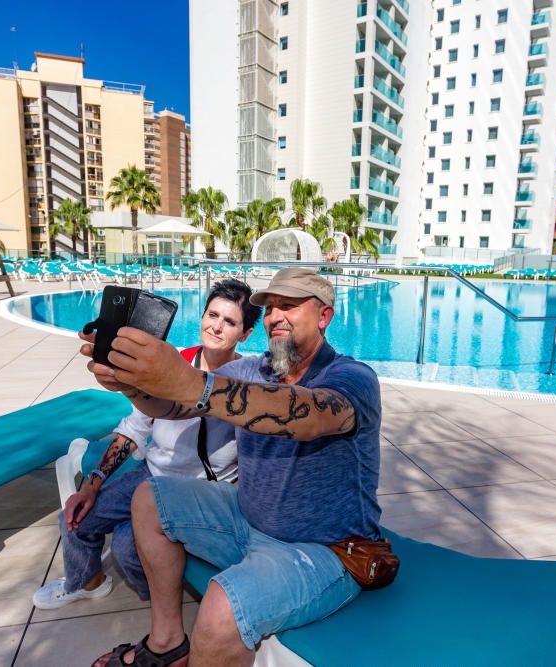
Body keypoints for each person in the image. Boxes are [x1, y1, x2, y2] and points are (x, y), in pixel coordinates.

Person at [80, 268, 383, 667]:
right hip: (248, 517)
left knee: (221, 612)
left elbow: (309, 416)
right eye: (270, 307)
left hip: (326, 549)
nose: (275, 316)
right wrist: (132, 384)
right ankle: (168, 643)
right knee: (149, 497)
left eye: (289, 305)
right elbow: (174, 406)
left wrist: (192, 383)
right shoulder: (249, 370)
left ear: (324, 316)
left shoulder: (352, 378)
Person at [32, 279, 261, 609]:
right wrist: (93, 483)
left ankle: (160, 599)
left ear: (245, 333)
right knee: (77, 516)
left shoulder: (247, 381)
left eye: (229, 322)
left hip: (197, 490)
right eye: (212, 315)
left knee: (127, 546)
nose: (216, 326)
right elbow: (136, 427)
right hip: (150, 474)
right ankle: (87, 581)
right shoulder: (175, 363)